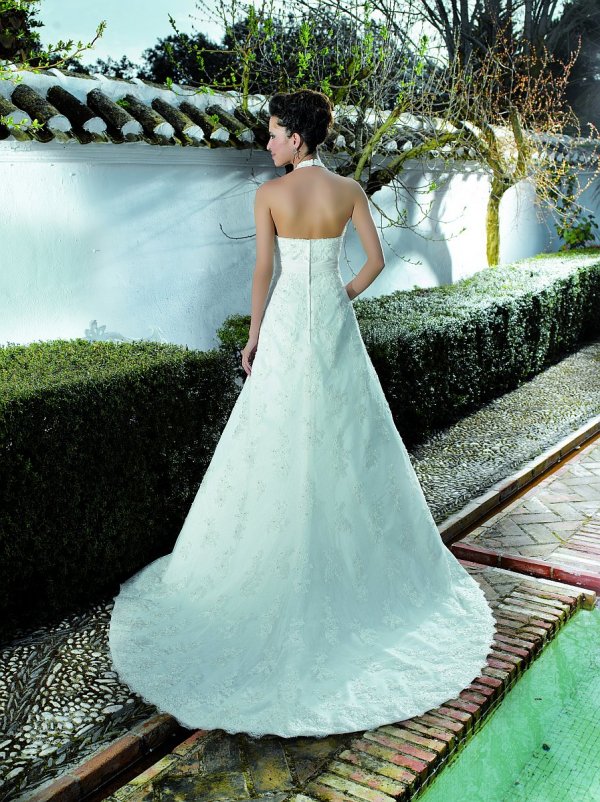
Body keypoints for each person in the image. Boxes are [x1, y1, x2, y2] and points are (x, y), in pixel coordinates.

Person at [108, 89, 496, 740]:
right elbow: (374, 262)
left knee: (274, 435)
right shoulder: (348, 191)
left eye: (273, 133)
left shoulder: (270, 196)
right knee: (350, 435)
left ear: (296, 137)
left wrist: (254, 336)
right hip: (334, 324)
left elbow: (263, 271)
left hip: (288, 325)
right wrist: (341, 295)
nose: (267, 143)